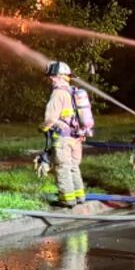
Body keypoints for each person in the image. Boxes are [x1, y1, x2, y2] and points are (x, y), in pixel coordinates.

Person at [39, 61, 94, 208]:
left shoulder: (58, 94)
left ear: (56, 77)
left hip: (63, 139)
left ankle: (67, 199)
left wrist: (42, 128)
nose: (50, 79)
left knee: (63, 168)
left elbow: (50, 119)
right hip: (76, 138)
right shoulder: (74, 92)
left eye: (51, 77)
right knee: (73, 167)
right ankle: (79, 196)